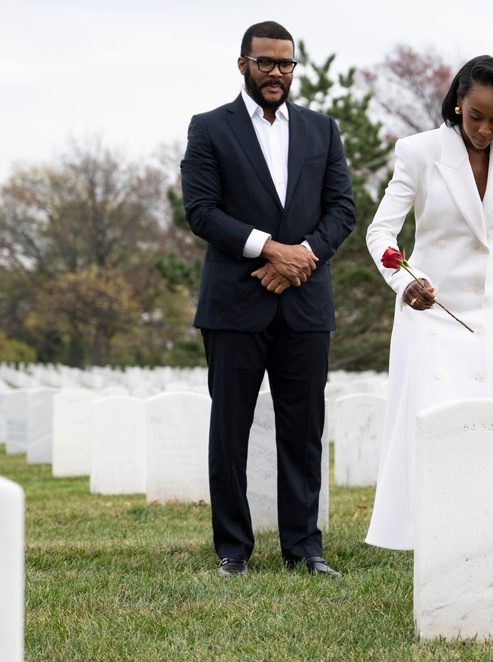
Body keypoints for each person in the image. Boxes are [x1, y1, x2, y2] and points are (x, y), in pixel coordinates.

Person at [180, 21, 356, 576]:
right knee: (230, 430)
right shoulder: (209, 128)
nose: (276, 73)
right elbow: (201, 211)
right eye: (266, 63)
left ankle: (305, 548)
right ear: (243, 65)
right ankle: (233, 548)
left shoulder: (322, 130)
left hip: (305, 300)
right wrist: (270, 250)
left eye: (286, 64)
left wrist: (300, 255)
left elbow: (343, 210)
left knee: (303, 430)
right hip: (234, 303)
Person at [365, 56, 493, 551]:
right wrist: (406, 282)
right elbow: (381, 231)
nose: (486, 130)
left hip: (485, 315)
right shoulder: (419, 151)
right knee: (436, 422)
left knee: (490, 423)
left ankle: (488, 526)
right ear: (458, 102)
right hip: (430, 313)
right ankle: (432, 533)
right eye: (476, 117)